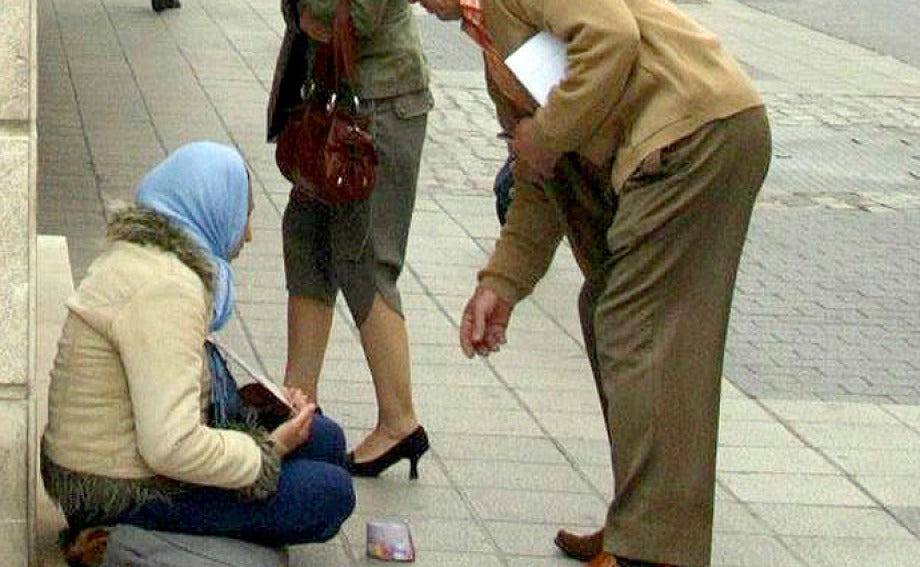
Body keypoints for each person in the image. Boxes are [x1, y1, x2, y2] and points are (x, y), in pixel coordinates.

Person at [416, 1, 771, 566]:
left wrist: (549, 134)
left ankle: (652, 547)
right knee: (611, 310)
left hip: (694, 133)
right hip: (680, 141)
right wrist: (500, 283)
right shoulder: (490, 43)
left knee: (635, 327)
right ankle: (641, 522)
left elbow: (610, 38)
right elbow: (539, 174)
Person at [40, 142, 355, 565]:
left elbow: (169, 384)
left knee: (325, 439)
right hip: (118, 489)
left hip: (121, 462)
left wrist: (262, 407)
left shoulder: (151, 259)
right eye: (243, 216)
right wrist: (268, 451)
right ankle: (111, 537)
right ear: (212, 209)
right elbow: (169, 446)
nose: (246, 235)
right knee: (328, 493)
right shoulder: (168, 288)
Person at [267, 0, 433, 479]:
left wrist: (307, 9)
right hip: (331, 98)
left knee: (364, 258)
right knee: (306, 240)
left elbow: (358, 16)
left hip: (377, 107)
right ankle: (297, 400)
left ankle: (399, 420)